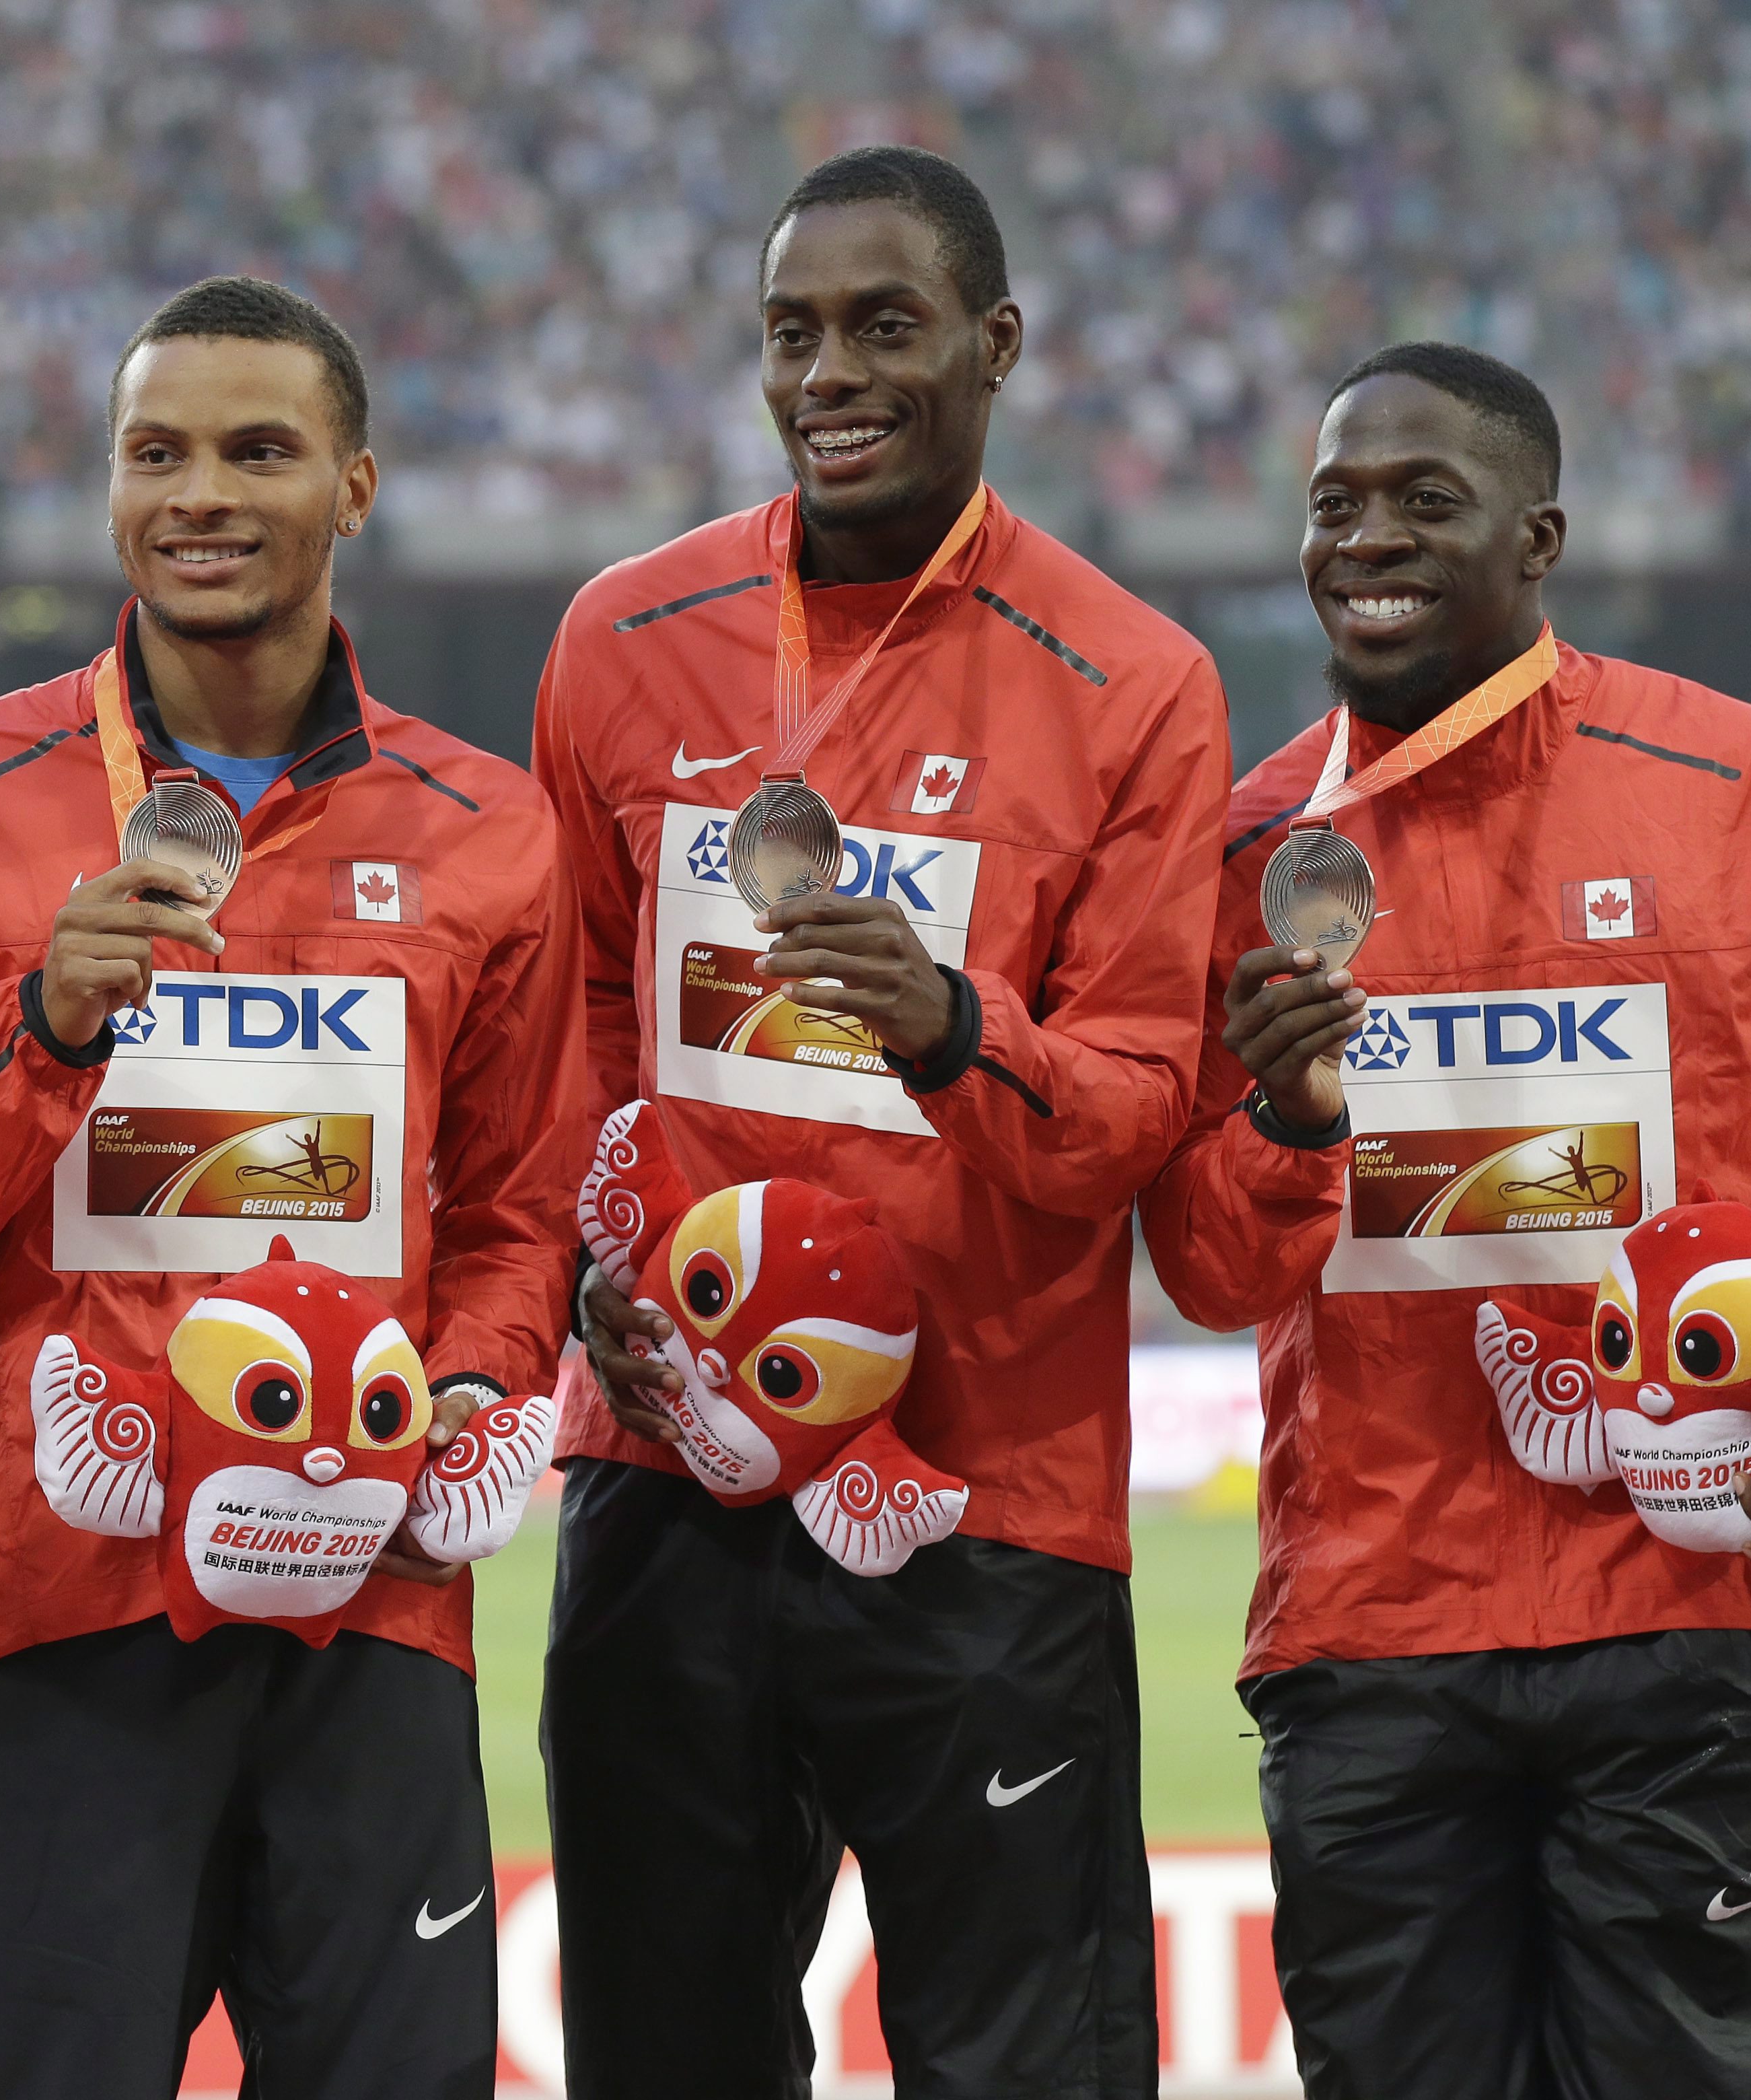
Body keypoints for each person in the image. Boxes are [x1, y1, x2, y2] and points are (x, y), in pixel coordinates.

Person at [1139, 341, 1751, 2099]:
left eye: (1422, 503)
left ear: (1540, 537)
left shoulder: (1747, 787)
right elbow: (1210, 1267)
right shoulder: (1241, 853)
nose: (1364, 539)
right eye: (1333, 506)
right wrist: (1296, 1124)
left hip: (1696, 1591)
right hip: (1378, 1625)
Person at [531, 145, 1230, 2097]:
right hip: (665, 1473)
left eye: (885, 326)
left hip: (986, 1504)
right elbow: (575, 1027)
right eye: (792, 330)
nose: (829, 370)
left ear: (996, 347)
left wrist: (947, 1028)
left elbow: (1136, 1115)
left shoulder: (1137, 686)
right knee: (663, 2059)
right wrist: (589, 1262)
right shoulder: (622, 635)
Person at [0, 276, 581, 2100]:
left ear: (356, 486)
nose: (202, 494)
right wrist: (45, 1032)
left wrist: (478, 1390)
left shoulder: (489, 829)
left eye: (261, 451)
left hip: (377, 1606)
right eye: (154, 451)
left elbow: (513, 1212)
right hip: (55, 1615)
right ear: (106, 488)